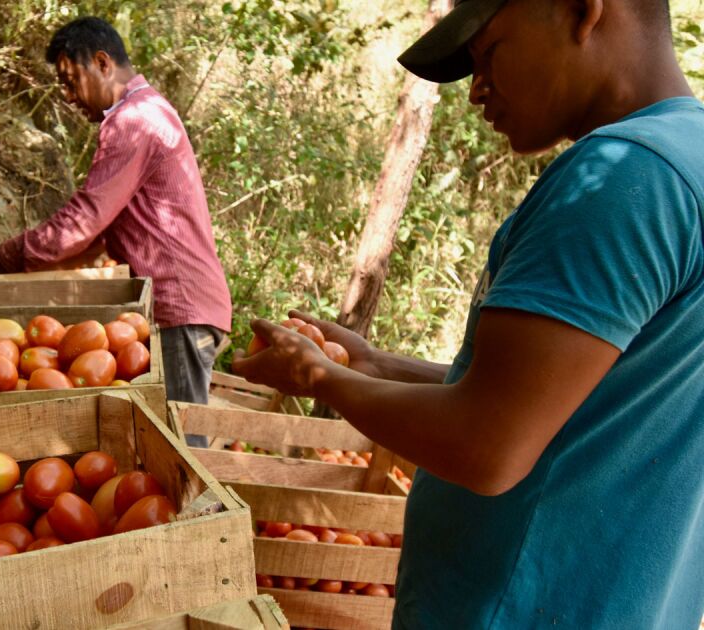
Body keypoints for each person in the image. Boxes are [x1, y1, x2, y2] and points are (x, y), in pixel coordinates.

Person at [232, 0, 704, 627]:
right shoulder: (687, 159)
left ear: (584, 11)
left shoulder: (620, 176)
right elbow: (557, 402)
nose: (477, 90)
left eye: (489, 53)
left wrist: (319, 377)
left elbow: (487, 443)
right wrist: (373, 364)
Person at [0, 17, 232, 441]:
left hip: (181, 309)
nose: (67, 96)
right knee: (170, 444)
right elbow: (99, 237)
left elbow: (83, 221)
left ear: (102, 63)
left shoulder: (134, 120)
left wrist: (10, 256)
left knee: (184, 452)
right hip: (185, 308)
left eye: (71, 81)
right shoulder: (149, 111)